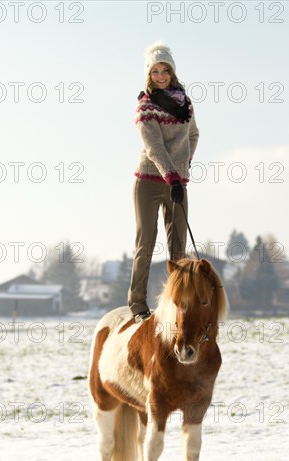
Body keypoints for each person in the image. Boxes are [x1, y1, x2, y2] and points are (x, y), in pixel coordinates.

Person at [128, 41, 200, 323]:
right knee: (146, 243)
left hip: (177, 183)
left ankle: (177, 302)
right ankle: (137, 305)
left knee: (178, 247)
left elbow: (193, 135)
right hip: (148, 181)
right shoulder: (146, 105)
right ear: (149, 74)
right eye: (155, 71)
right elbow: (154, 146)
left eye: (165, 70)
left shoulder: (185, 103)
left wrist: (183, 167)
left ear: (172, 72)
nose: (161, 76)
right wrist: (171, 175)